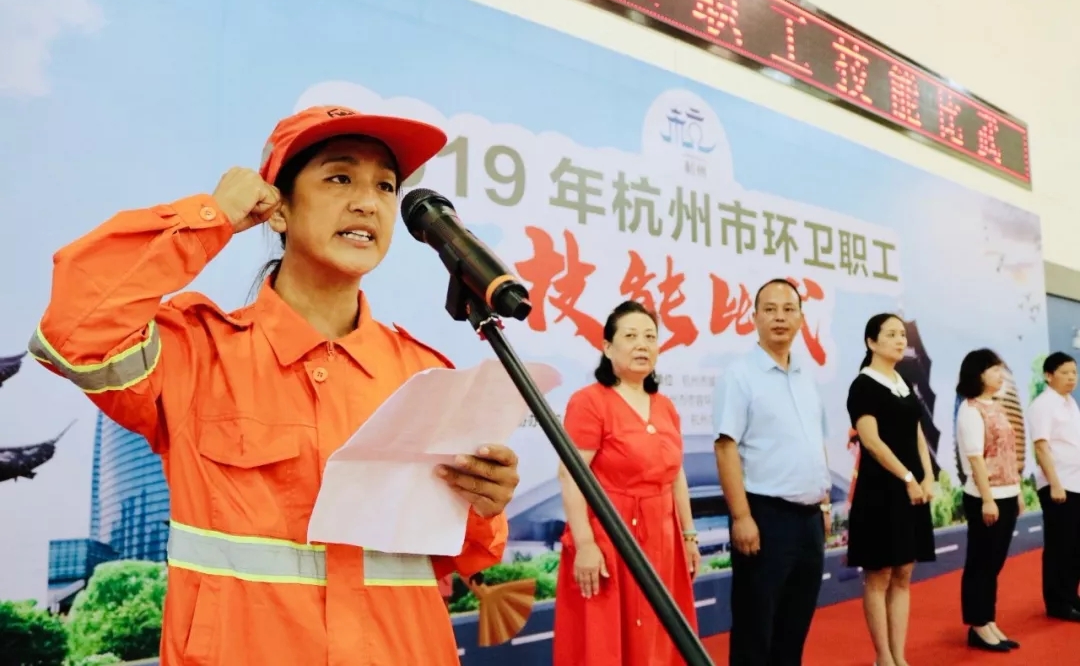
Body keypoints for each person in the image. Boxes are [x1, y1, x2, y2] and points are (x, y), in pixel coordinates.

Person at [27, 105, 521, 665]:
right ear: (277, 208)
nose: (368, 202)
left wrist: (484, 503)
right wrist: (211, 217)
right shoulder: (197, 350)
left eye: (385, 186)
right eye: (340, 178)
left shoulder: (422, 375)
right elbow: (76, 328)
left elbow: (461, 556)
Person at [552, 300, 700, 666]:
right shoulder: (590, 402)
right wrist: (585, 543)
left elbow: (676, 474)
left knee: (660, 637)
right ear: (607, 347)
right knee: (606, 642)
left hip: (663, 537)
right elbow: (571, 475)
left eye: (650, 337)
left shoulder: (665, 406)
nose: (642, 345)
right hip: (610, 537)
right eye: (630, 336)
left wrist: (688, 535)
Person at [712, 278, 832, 666]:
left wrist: (824, 503)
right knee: (755, 628)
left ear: (801, 319)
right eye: (770, 309)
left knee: (794, 628)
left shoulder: (806, 376)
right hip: (764, 517)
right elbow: (725, 446)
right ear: (754, 318)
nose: (780, 317)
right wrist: (741, 517)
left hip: (809, 520)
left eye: (788, 309)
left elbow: (815, 441)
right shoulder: (740, 375)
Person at [845, 314, 936, 666]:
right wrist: (907, 478)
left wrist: (926, 476)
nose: (900, 340)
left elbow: (916, 433)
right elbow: (871, 441)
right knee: (879, 575)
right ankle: (883, 658)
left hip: (911, 489)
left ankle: (900, 656)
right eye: (892, 334)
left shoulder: (903, 381)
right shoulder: (863, 385)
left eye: (903, 334)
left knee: (903, 573)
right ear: (871, 342)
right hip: (880, 491)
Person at [955, 348, 1022, 652]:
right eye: (994, 369)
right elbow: (976, 459)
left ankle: (988, 619)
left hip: (1007, 493)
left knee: (994, 562)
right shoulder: (970, 410)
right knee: (980, 562)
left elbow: (1008, 453)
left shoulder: (996, 406)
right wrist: (987, 499)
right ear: (978, 374)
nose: (1000, 374)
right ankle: (977, 624)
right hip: (985, 495)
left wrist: (1016, 491)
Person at [1028, 351, 1080, 622]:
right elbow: (1041, 446)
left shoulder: (1070, 403)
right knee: (1061, 545)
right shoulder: (1043, 405)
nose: (1072, 378)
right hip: (1059, 485)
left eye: (1074, 372)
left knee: (1076, 545)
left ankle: (1071, 596)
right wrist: (1055, 484)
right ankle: (1058, 603)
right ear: (1049, 376)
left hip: (1077, 483)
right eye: (1065, 373)